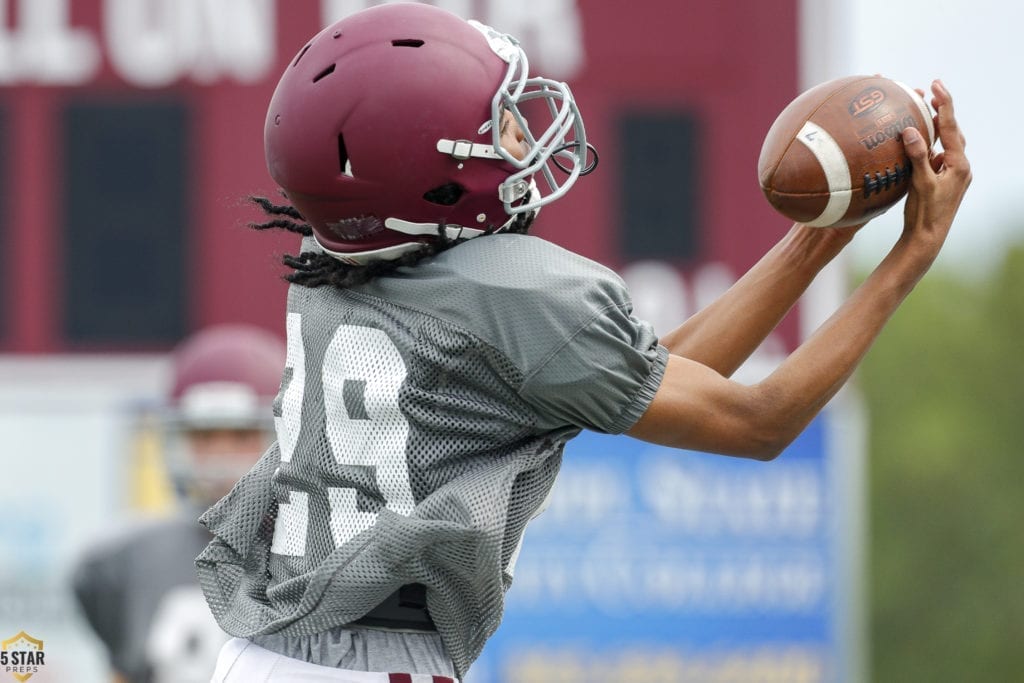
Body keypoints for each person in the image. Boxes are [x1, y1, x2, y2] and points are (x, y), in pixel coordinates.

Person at [196, 4, 972, 682]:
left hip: (258, 651)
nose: (520, 136)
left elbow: (658, 375)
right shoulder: (512, 292)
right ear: (428, 179)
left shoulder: (331, 261)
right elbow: (759, 420)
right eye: (494, 125)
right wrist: (911, 255)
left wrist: (818, 238)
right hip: (376, 661)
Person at [72, 325, 285, 683]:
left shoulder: (316, 554)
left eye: (241, 435)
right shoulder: (121, 562)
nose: (220, 455)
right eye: (203, 436)